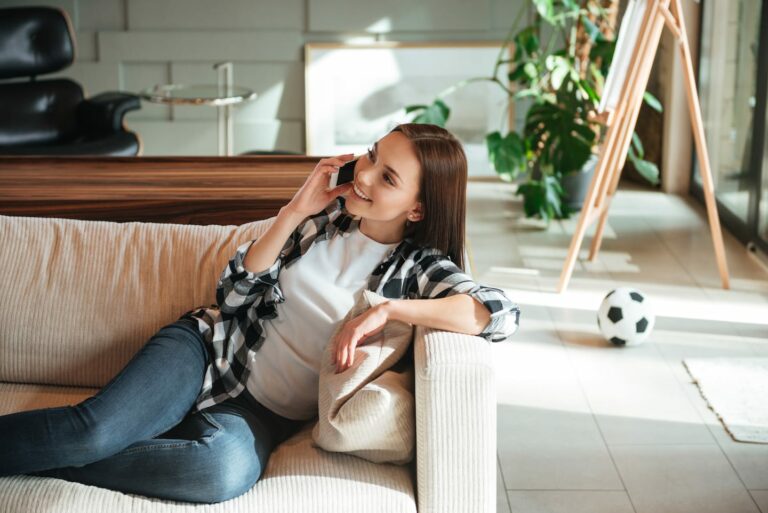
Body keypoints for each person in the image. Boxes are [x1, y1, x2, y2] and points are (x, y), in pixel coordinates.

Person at [0, 123, 520, 504]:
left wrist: (385, 310)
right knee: (92, 431)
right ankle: (76, 446)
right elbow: (233, 295)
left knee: (219, 472)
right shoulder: (323, 222)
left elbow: (499, 313)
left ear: (418, 208)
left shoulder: (421, 268)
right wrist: (295, 209)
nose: (363, 176)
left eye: (387, 177)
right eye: (369, 157)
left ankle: (55, 459)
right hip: (203, 351)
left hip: (256, 415)